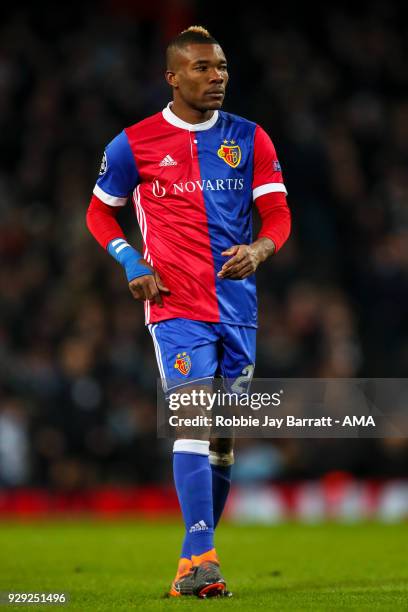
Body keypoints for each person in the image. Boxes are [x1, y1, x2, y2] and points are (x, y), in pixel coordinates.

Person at [86, 25, 291, 598]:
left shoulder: (250, 138)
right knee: (196, 420)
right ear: (173, 78)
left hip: (238, 308)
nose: (217, 76)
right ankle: (205, 556)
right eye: (202, 68)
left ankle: (189, 563)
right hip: (175, 308)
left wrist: (260, 249)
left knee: (224, 437)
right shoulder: (134, 144)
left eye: (221, 66)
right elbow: (100, 214)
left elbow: (277, 214)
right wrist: (129, 260)